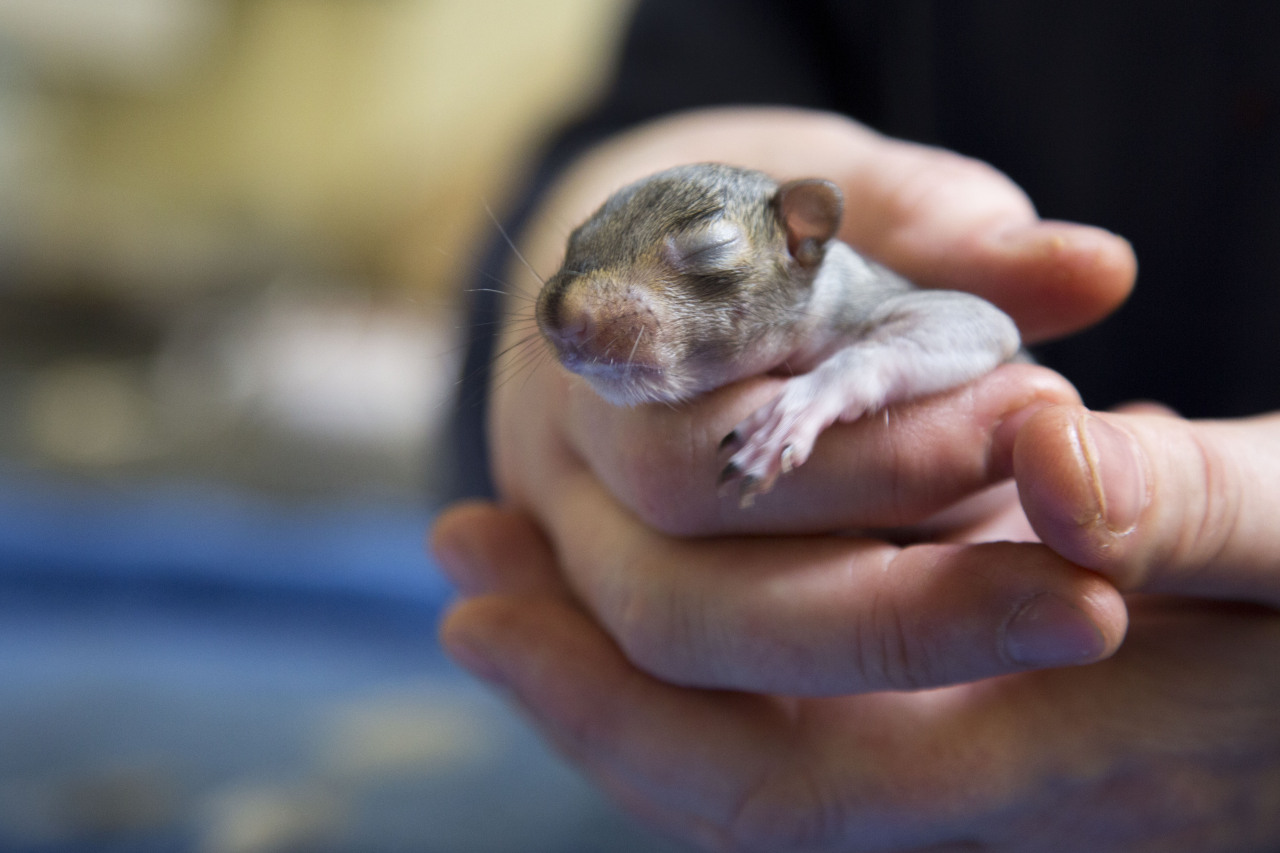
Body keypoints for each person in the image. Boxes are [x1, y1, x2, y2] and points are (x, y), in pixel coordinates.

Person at [433, 2, 1280, 849]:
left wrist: (835, 388)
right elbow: (649, 104)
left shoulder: (855, 303)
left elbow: (982, 330)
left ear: (806, 239)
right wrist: (559, 257)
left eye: (707, 259)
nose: (575, 308)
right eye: (580, 259)